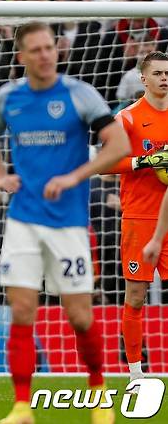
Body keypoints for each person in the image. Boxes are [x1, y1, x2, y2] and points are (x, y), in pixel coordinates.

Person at [0, 22, 130, 424]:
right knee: (22, 311)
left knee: (80, 316)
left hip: (69, 223)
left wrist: (76, 176)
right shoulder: (9, 97)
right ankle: (22, 407)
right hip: (23, 220)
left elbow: (120, 145)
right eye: (36, 49)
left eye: (50, 47)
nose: (45, 55)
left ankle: (99, 393)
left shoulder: (80, 94)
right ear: (21, 56)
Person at [105, 52, 168, 390]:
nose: (164, 78)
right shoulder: (128, 118)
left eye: (167, 73)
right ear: (143, 79)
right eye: (157, 73)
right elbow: (103, 163)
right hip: (139, 218)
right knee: (135, 296)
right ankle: (135, 372)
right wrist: (146, 160)